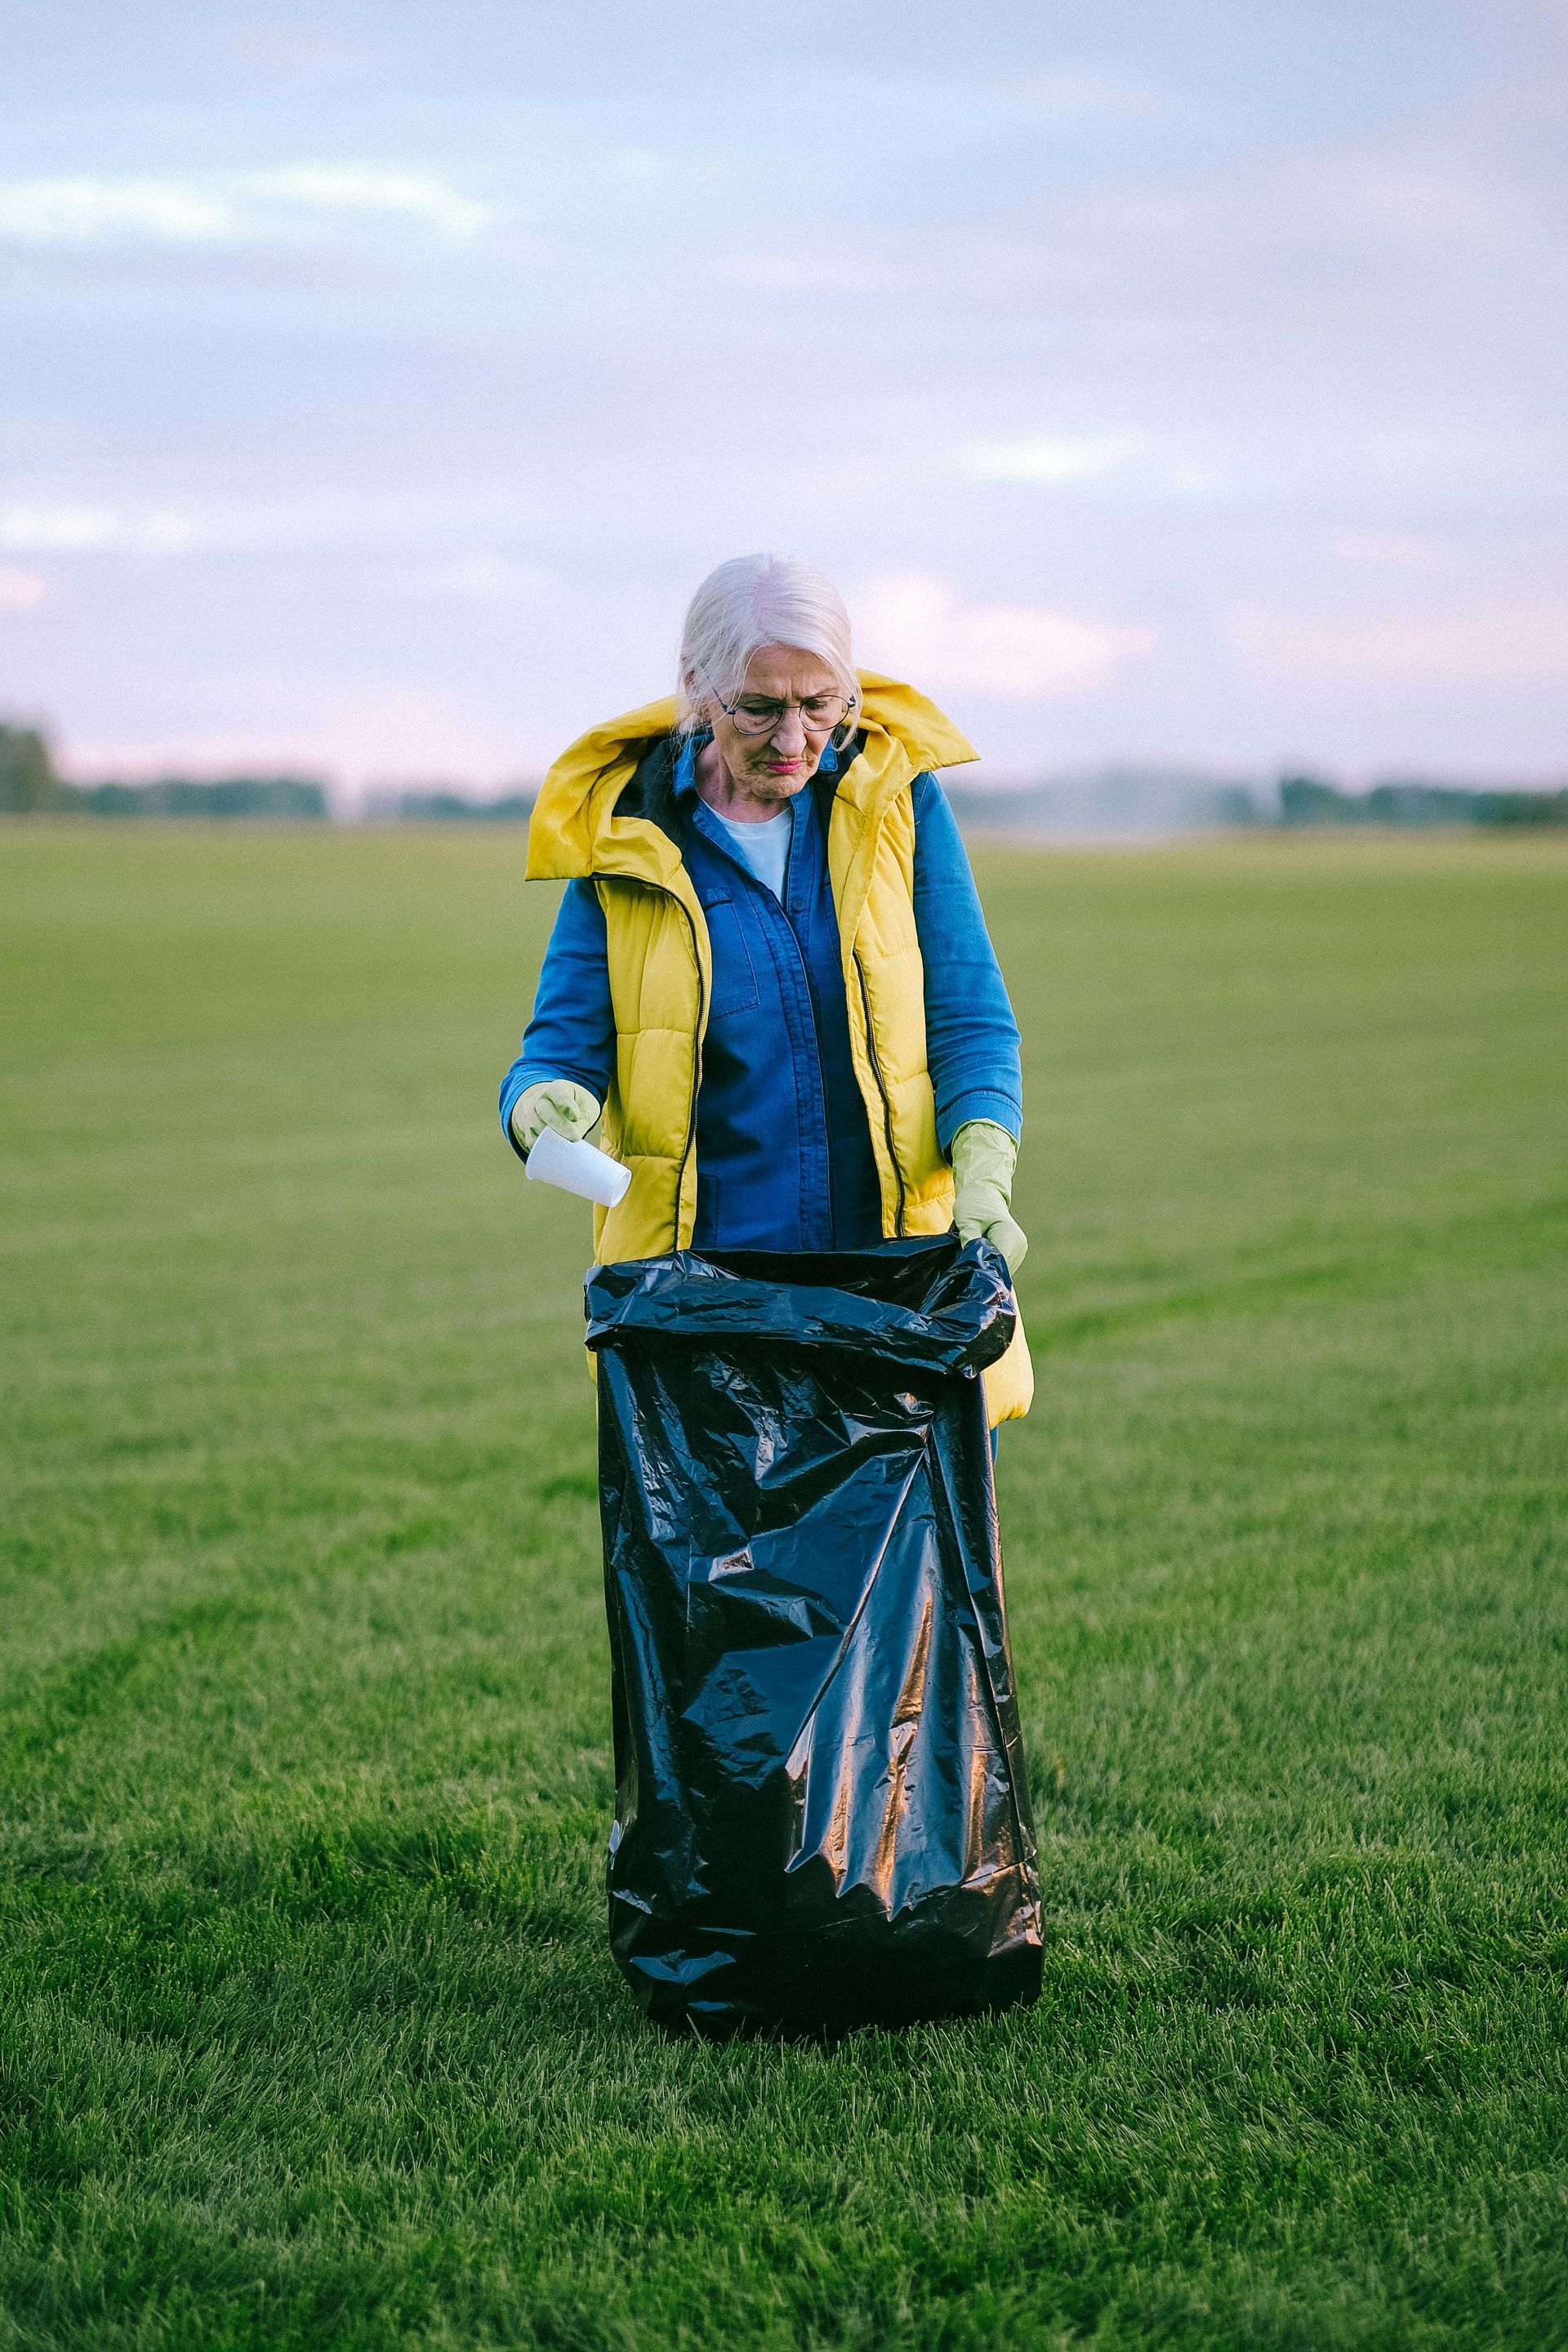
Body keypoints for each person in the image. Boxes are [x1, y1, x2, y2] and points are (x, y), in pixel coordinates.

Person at [500, 554, 1032, 1424]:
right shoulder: (625, 837)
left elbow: (970, 1019)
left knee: (921, 1566)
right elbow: (557, 1052)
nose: (793, 740)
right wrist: (540, 1106)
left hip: (900, 1297)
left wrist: (985, 1171)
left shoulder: (900, 803)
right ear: (696, 691)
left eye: (820, 705)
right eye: (758, 708)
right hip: (711, 1322)